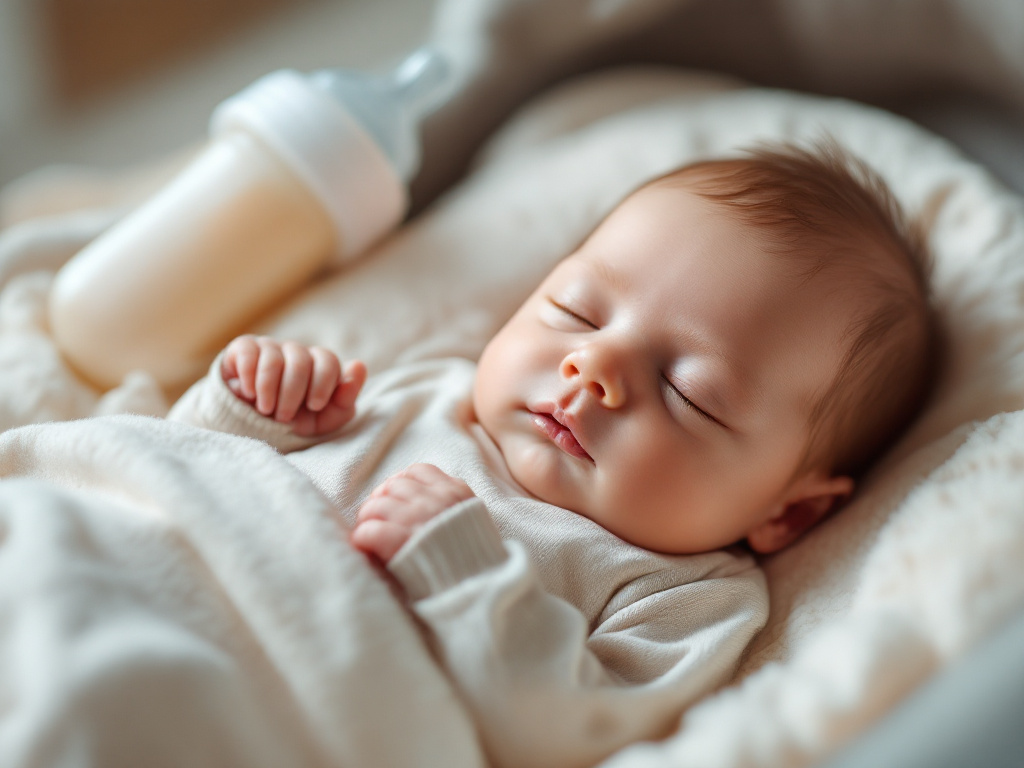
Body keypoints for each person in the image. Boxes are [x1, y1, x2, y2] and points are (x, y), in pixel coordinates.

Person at [169, 139, 937, 768]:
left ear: (790, 511)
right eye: (576, 311)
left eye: (688, 393)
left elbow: (575, 733)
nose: (594, 368)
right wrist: (249, 406)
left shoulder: (682, 597)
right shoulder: (426, 392)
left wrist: (465, 576)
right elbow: (183, 466)